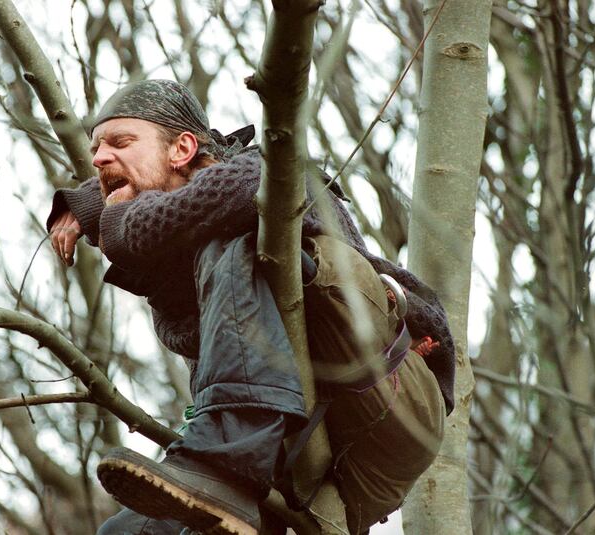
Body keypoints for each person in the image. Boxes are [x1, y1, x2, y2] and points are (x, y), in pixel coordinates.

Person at [46, 79, 454, 535]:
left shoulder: (271, 172)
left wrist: (107, 216)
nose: (99, 158)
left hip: (388, 407)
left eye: (120, 142)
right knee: (125, 533)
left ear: (183, 148)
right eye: (96, 149)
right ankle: (228, 467)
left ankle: (227, 454)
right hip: (295, 465)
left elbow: (240, 190)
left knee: (234, 235)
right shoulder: (182, 257)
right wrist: (96, 201)